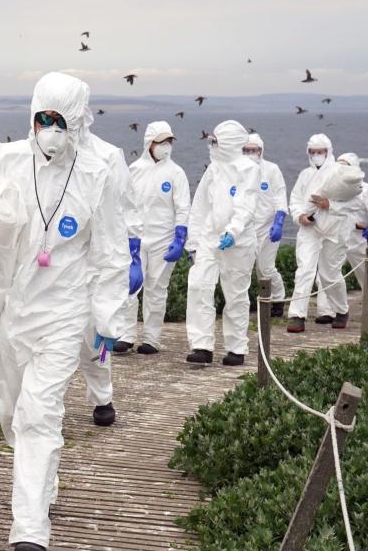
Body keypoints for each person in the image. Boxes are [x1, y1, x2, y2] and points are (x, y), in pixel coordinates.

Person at [0, 72, 128, 551]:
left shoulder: (96, 174)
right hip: (14, 310)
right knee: (14, 415)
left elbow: (108, 251)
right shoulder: (7, 161)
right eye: (44, 119)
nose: (50, 129)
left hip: (63, 311)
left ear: (78, 122)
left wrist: (107, 319)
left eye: (61, 121)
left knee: (40, 413)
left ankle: (30, 528)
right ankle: (43, 478)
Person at [77, 112, 143, 426]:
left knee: (98, 334)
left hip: (101, 260)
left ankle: (102, 398)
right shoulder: (35, 155)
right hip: (55, 263)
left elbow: (127, 206)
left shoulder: (107, 155)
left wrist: (134, 253)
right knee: (47, 336)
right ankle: (43, 405)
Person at [184, 120, 261, 365]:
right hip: (210, 237)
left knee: (235, 293)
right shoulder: (214, 169)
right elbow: (200, 207)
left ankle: (236, 347)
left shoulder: (248, 168)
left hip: (237, 241)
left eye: (216, 142)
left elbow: (246, 204)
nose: (212, 146)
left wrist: (233, 231)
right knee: (198, 286)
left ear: (228, 142)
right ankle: (201, 345)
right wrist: (193, 242)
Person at [120, 121, 190, 355]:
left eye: (169, 141)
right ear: (149, 143)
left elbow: (182, 208)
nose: (166, 146)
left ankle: (151, 338)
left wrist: (180, 238)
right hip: (136, 239)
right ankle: (126, 335)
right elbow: (125, 205)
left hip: (163, 239)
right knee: (130, 286)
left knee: (157, 289)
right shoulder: (133, 170)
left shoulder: (176, 173)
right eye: (161, 142)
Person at [286, 134, 353, 332]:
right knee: (304, 270)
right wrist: (299, 216)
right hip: (309, 229)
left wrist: (328, 205)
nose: (316, 155)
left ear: (328, 151)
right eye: (313, 152)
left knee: (329, 274)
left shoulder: (340, 173)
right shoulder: (304, 175)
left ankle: (341, 310)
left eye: (320, 151)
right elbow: (295, 199)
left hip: (334, 229)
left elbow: (351, 203)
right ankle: (297, 315)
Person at [322, 152, 368, 320]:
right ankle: (328, 309)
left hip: (360, 238)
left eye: (345, 166)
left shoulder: (367, 190)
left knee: (367, 274)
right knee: (328, 273)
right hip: (337, 237)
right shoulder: (332, 189)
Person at [242, 133, 288, 318]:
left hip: (269, 228)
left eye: (254, 150)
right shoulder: (238, 170)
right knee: (244, 268)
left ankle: (277, 300)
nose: (250, 153)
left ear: (261, 151)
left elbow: (280, 196)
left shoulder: (271, 170)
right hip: (246, 228)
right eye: (246, 150)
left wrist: (279, 222)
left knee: (266, 268)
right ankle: (249, 303)